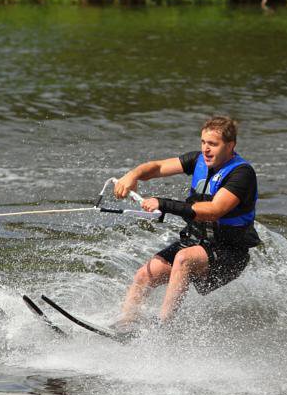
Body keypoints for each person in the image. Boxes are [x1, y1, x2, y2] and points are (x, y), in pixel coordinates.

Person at [111, 116, 260, 332]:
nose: (206, 149)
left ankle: (163, 329)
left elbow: (214, 211)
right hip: (197, 242)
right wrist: (132, 175)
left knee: (183, 259)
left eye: (213, 144)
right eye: (203, 142)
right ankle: (125, 325)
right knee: (145, 274)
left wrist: (163, 204)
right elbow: (158, 167)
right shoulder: (198, 159)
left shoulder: (242, 173)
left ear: (230, 146)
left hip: (229, 252)